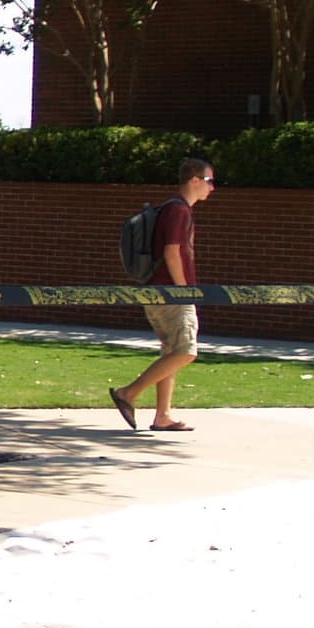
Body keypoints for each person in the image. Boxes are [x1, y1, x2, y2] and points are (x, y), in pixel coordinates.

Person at [109, 156, 217, 433]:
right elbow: (172, 252)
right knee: (185, 351)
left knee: (171, 351)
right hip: (170, 292)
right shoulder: (178, 211)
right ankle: (128, 393)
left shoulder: (174, 209)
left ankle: (163, 416)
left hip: (157, 291)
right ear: (194, 180)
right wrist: (183, 291)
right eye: (209, 181)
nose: (212, 188)